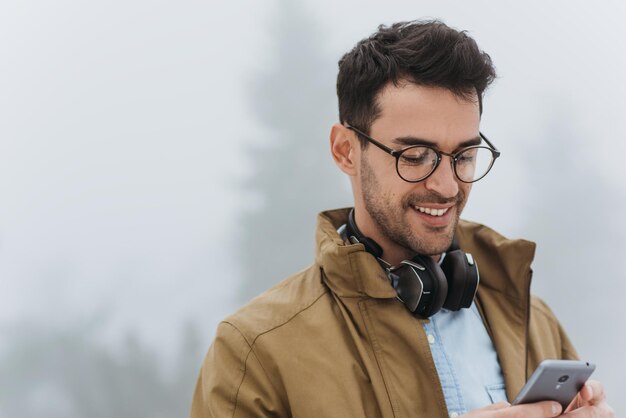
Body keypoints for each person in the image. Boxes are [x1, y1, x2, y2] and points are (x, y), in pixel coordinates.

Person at [190, 20, 613, 418]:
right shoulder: (254, 350)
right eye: (416, 157)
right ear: (345, 150)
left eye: (464, 156)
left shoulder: (532, 320)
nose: (447, 186)